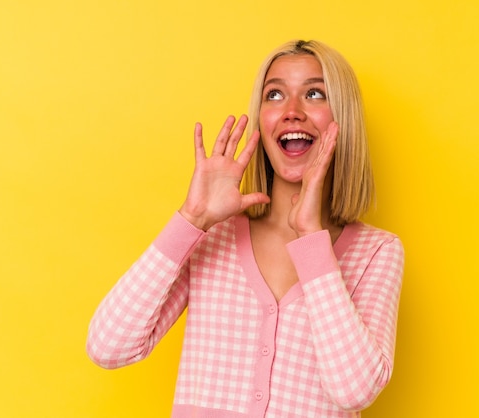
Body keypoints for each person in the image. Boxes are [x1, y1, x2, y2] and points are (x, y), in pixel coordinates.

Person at [87, 39, 404, 418]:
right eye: (274, 95)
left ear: (343, 118)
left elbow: (353, 391)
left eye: (315, 93)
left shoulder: (377, 252)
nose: (291, 112)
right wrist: (192, 218)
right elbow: (108, 347)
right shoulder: (214, 236)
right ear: (262, 118)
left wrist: (311, 238)